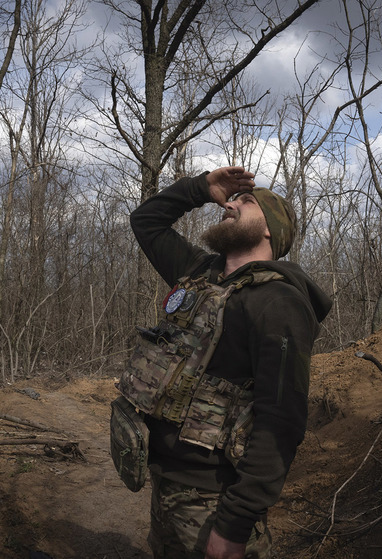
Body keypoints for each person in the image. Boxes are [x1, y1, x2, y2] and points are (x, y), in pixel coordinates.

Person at [127, 166, 332, 559]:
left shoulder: (279, 303)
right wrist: (201, 188)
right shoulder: (201, 274)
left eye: (245, 201)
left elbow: (282, 422)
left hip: (214, 499)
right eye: (231, 200)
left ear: (271, 228)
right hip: (166, 481)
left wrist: (235, 523)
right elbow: (146, 221)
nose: (230, 205)